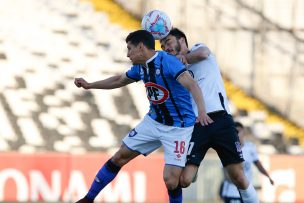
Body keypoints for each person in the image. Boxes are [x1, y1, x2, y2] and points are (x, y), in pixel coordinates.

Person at [74, 29, 213, 203]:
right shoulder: (140, 68)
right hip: (153, 122)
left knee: (171, 181)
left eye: (129, 49)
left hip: (179, 127)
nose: (127, 55)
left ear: (140, 47)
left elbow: (192, 85)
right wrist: (90, 85)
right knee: (119, 157)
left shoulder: (168, 62)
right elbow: (118, 80)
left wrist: (201, 111)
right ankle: (88, 199)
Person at [160, 28, 260, 203]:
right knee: (184, 180)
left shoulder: (199, 50)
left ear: (182, 40)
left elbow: (203, 53)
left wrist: (183, 59)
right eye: (162, 46)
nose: (165, 48)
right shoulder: (175, 72)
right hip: (197, 125)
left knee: (238, 176)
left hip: (220, 119)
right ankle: (196, 167)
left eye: (168, 42)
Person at [220, 121, 274, 203]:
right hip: (232, 192)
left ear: (243, 132)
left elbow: (258, 164)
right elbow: (225, 172)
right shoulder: (227, 148)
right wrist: (237, 182)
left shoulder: (251, 147)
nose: (237, 134)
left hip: (247, 191)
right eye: (235, 132)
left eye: (238, 131)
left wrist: (268, 176)